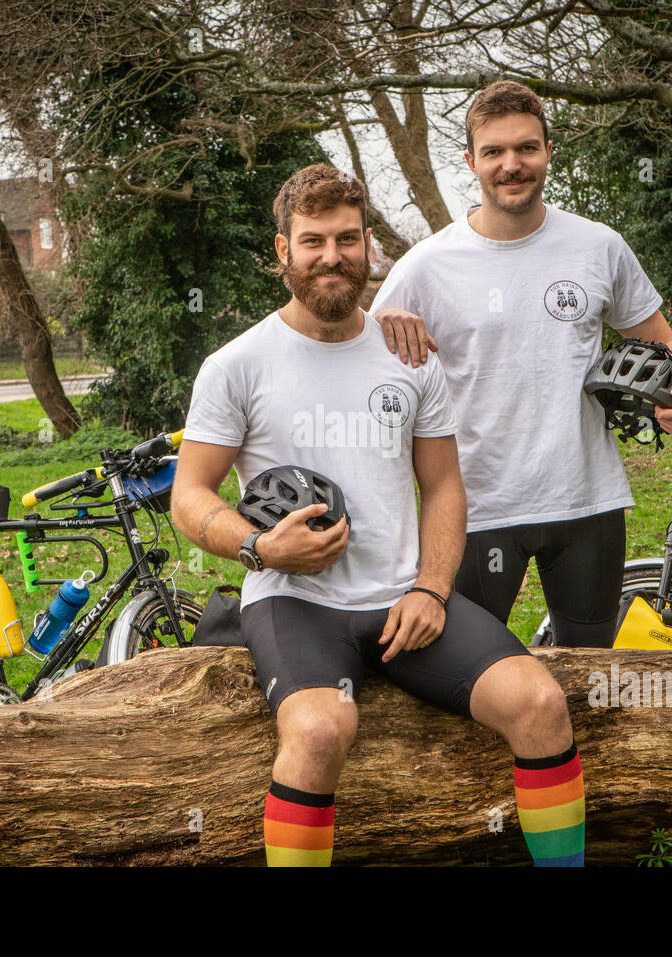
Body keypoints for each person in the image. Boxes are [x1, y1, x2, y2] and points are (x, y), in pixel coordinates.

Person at [172, 164, 584, 866]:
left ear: (369, 245)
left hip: (404, 604)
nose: (331, 256)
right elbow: (189, 496)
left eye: (346, 239)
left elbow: (445, 485)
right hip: (295, 603)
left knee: (541, 704)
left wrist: (430, 586)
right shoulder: (237, 365)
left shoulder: (409, 354)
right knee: (321, 730)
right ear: (283, 251)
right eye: (312, 241)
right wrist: (260, 548)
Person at [371, 79, 672, 647]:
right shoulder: (426, 266)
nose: (512, 164)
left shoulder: (598, 246)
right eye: (494, 152)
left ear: (548, 151)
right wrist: (376, 326)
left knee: (589, 674)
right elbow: (359, 359)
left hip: (585, 501)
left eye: (527, 148)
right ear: (471, 162)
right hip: (475, 507)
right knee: (463, 673)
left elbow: (665, 340)